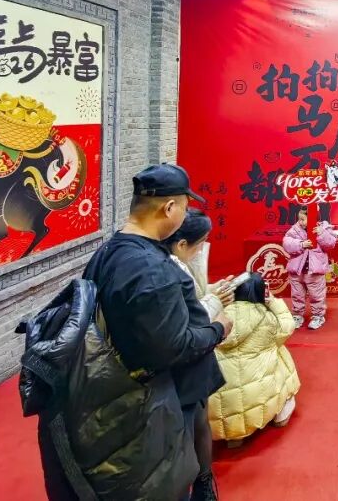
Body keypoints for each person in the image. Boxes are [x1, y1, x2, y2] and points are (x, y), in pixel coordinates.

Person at [81, 164, 232, 501]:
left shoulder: (112, 251)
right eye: (185, 207)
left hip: (132, 393)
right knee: (169, 475)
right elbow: (172, 347)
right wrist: (218, 329)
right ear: (170, 208)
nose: (185, 215)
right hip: (159, 398)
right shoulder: (149, 268)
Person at [164, 209, 236, 498]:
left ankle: (204, 482)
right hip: (185, 353)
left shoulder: (175, 261)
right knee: (189, 427)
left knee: (199, 420)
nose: (202, 250)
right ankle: (196, 485)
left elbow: (194, 298)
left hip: (197, 352)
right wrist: (215, 303)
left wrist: (214, 292)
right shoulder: (167, 269)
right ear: (182, 244)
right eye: (201, 242)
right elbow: (188, 318)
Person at [208, 272, 301, 446]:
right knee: (281, 353)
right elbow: (287, 327)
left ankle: (235, 437)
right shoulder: (267, 318)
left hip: (219, 399)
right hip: (258, 393)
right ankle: (281, 415)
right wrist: (273, 302)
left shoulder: (216, 317)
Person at [283, 206, 337, 330]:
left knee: (317, 295)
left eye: (303, 219)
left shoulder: (324, 228)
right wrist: (301, 244)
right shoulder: (295, 230)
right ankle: (297, 315)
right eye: (299, 219)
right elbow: (286, 243)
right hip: (297, 271)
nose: (300, 222)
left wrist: (321, 233)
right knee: (297, 295)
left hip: (315, 271)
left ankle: (318, 316)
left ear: (313, 218)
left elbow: (331, 244)